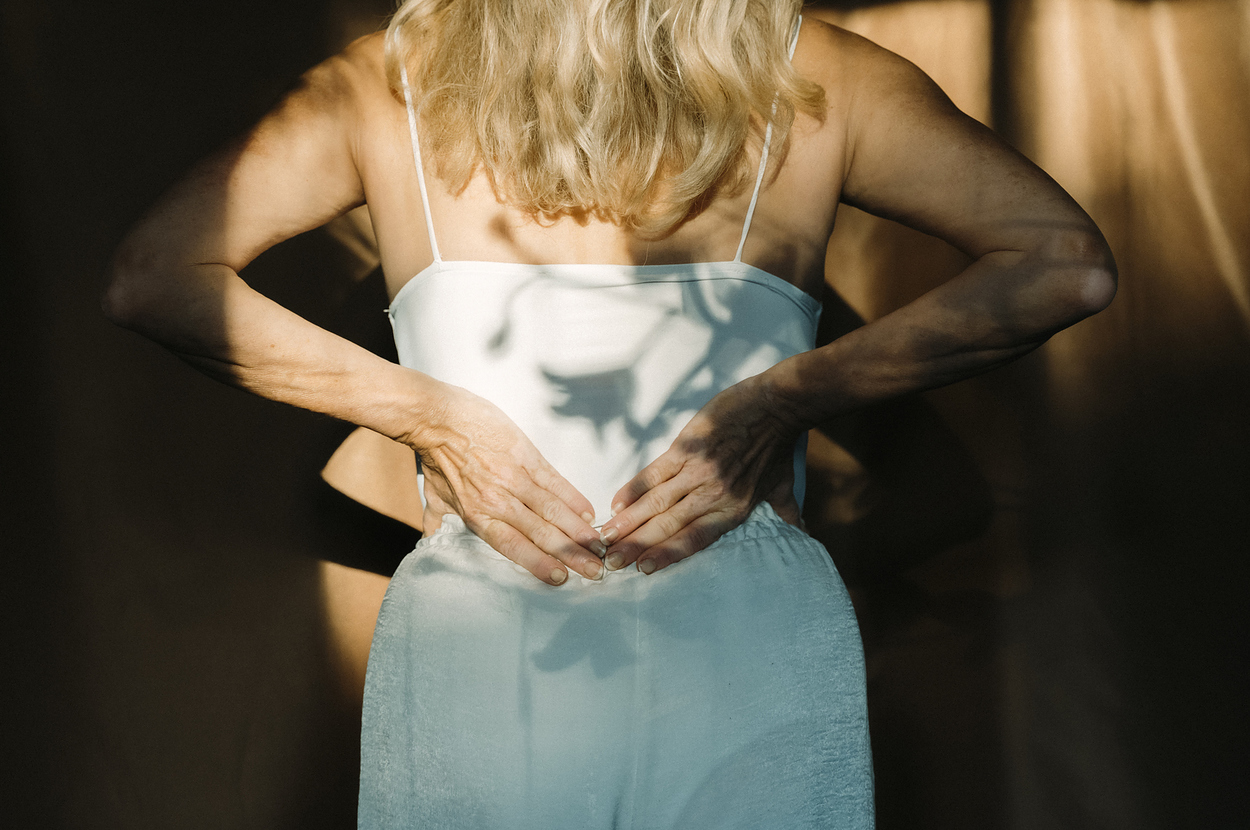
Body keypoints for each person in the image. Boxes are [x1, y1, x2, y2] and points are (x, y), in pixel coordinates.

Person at [105, 1, 1116, 827]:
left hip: (489, 644)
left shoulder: (383, 81)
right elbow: (1063, 265)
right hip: (741, 634)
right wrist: (781, 396)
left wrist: (428, 415)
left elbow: (155, 275)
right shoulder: (827, 73)